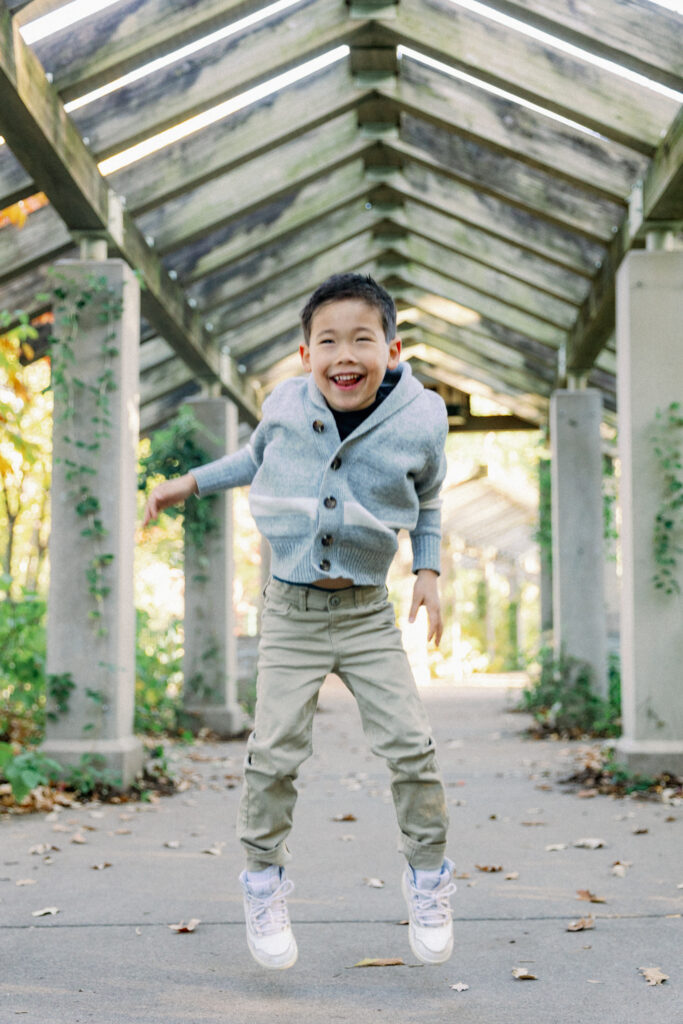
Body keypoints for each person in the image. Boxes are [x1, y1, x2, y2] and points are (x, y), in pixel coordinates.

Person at [142, 273, 455, 970]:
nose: (344, 354)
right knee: (274, 752)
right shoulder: (283, 402)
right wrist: (184, 483)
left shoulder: (422, 416)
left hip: (367, 613)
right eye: (328, 341)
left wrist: (427, 571)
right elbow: (252, 462)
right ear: (305, 353)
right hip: (290, 611)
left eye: (361, 339)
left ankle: (429, 878)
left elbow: (429, 498)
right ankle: (262, 881)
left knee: (411, 746)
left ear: (393, 348)